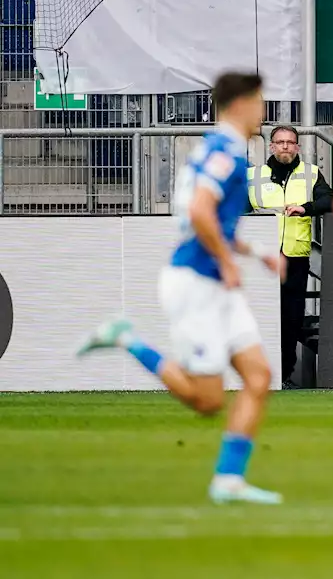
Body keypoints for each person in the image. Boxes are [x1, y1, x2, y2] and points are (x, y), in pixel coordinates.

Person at [77, 72, 286, 505]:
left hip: (212, 281)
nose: (264, 111)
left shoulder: (216, 150)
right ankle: (128, 339)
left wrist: (256, 251)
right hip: (196, 284)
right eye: (260, 101)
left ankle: (229, 480)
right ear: (241, 103)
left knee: (259, 376)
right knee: (207, 400)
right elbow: (200, 210)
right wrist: (229, 262)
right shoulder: (226, 151)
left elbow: (208, 222)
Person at [247, 125, 333, 388]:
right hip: (261, 259)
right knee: (257, 318)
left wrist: (305, 208)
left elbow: (331, 200)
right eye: (280, 142)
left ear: (298, 147)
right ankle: (256, 376)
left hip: (295, 258)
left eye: (290, 142)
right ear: (271, 146)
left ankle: (283, 376)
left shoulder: (311, 173)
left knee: (291, 321)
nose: (285, 146)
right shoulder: (253, 176)